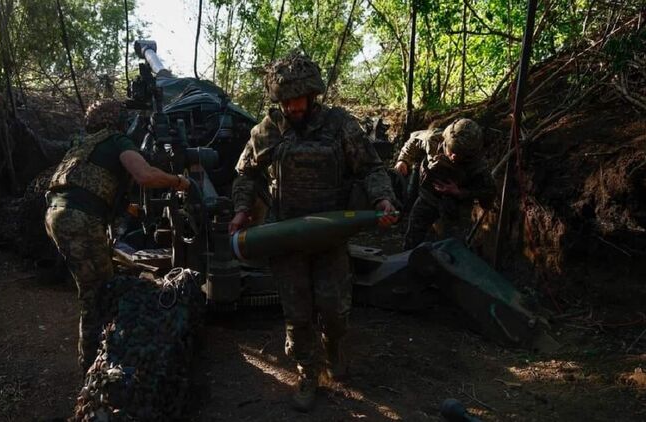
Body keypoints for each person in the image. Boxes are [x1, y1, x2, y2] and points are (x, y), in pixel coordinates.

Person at [229, 52, 400, 411]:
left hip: (329, 235)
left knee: (335, 309)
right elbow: (247, 174)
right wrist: (242, 209)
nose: (293, 106)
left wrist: (383, 199)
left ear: (312, 95)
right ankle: (308, 370)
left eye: (299, 99)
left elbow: (370, 168)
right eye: (286, 100)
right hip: (287, 236)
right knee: (297, 312)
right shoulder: (267, 130)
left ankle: (334, 345)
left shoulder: (340, 127)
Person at [44, 99, 190, 372]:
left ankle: (99, 353)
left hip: (55, 214)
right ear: (119, 122)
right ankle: (92, 365)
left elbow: (100, 189)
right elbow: (144, 175)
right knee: (98, 292)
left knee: (100, 279)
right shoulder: (116, 141)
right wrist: (178, 182)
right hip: (79, 219)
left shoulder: (85, 145)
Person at [393, 118, 496, 250]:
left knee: (453, 249)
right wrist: (403, 160)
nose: (453, 157)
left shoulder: (478, 167)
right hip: (427, 198)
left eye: (461, 155)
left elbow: (489, 193)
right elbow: (413, 141)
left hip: (456, 209)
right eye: (452, 151)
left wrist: (459, 192)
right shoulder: (433, 140)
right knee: (412, 240)